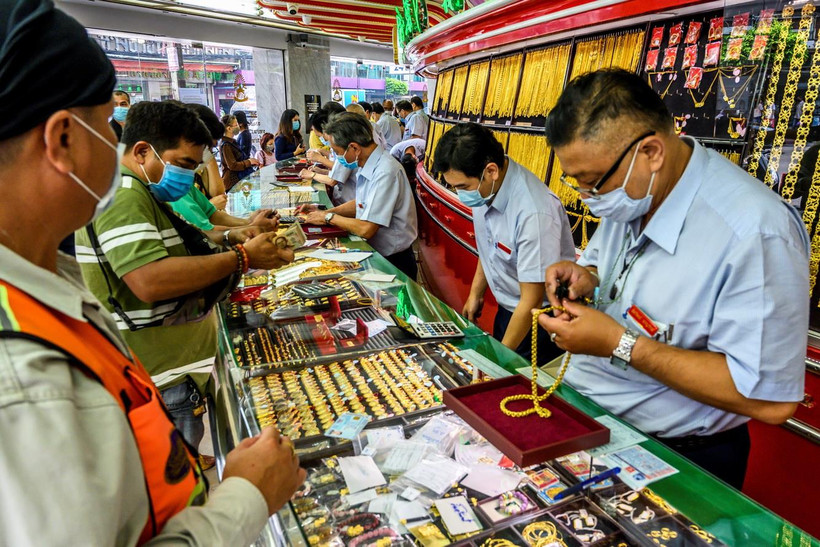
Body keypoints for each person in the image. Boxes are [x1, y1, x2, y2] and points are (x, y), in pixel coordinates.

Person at [0, 1, 304, 543]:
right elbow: (148, 277)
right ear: (63, 140)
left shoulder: (43, 285)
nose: (114, 149)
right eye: (104, 127)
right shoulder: (22, 378)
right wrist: (244, 497)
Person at [538, 69, 809, 490]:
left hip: (674, 457)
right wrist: (587, 276)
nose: (587, 197)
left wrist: (619, 344)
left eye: (592, 183)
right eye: (577, 184)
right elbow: (616, 268)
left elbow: (770, 399)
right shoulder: (633, 191)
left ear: (651, 152)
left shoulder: (755, 233)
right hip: (586, 414)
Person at [75, 100, 294, 454]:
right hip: (161, 379)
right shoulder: (123, 195)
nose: (189, 178)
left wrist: (230, 236)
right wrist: (242, 257)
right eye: (183, 165)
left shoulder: (138, 188)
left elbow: (176, 242)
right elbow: (149, 278)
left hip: (173, 373)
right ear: (143, 151)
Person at [434, 123, 574, 363]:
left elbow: (531, 300)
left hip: (538, 322)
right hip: (509, 309)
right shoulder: (486, 191)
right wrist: (476, 293)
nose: (460, 194)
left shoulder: (534, 212)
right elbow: (491, 246)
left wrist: (499, 359)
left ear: (491, 171)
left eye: (463, 187)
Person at [300, 112, 419, 279]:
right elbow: (362, 203)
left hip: (394, 261)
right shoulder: (367, 163)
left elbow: (366, 228)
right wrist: (327, 212)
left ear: (354, 148)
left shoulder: (385, 171)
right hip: (379, 252)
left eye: (337, 152)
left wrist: (329, 218)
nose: (337, 158)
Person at [187, 103, 227, 209]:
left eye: (211, 149)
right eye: (206, 147)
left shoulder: (199, 167)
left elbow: (219, 193)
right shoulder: (177, 178)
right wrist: (210, 207)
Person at [220, 113, 258, 191]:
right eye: (236, 124)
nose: (238, 126)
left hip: (239, 181)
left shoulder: (232, 142)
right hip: (233, 183)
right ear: (229, 128)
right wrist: (249, 162)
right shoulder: (226, 145)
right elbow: (232, 165)